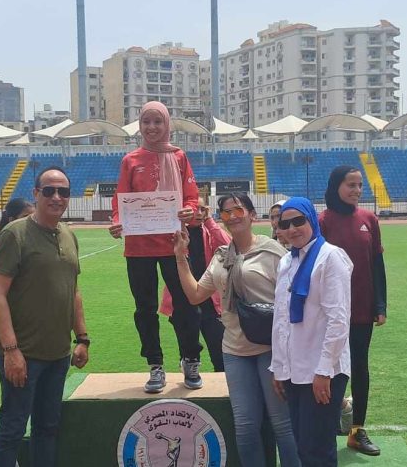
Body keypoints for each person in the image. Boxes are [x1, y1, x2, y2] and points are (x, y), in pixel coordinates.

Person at [173, 193, 300, 467]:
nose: (232, 216)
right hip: (234, 350)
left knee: (282, 424)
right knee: (245, 426)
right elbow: (195, 295)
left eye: (238, 210)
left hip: (271, 349)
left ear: (252, 215)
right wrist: (181, 258)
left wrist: (287, 355)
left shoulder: (274, 253)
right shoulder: (221, 257)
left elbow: (292, 304)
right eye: (226, 212)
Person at [0, 166, 90, 466]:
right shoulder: (15, 234)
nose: (57, 197)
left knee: (47, 428)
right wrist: (11, 350)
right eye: (49, 191)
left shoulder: (68, 235)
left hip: (58, 354)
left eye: (63, 192)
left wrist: (82, 338)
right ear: (36, 193)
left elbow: (73, 290)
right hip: (24, 353)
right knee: (13, 428)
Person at [109, 101, 203, 393]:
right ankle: (155, 365)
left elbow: (191, 195)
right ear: (139, 125)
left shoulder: (179, 157)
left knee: (186, 304)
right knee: (145, 309)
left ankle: (191, 359)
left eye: (157, 121)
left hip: (174, 244)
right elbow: (121, 199)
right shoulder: (130, 160)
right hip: (139, 247)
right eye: (146, 122)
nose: (151, 127)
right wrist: (117, 221)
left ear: (167, 124)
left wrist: (189, 209)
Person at [271, 197, 353, 467]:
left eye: (299, 221)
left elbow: (338, 320)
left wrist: (324, 371)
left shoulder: (330, 257)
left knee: (317, 449)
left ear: (312, 220)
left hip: (321, 370)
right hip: (295, 369)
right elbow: (282, 319)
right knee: (303, 446)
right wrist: (279, 368)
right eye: (285, 224)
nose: (292, 229)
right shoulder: (287, 261)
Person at [319, 166, 386, 456]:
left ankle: (357, 430)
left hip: (361, 308)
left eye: (360, 185)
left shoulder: (369, 219)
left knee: (359, 367)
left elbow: (376, 265)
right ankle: (327, 426)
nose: (357, 190)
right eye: (351, 185)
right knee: (330, 368)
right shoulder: (322, 221)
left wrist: (380, 304)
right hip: (329, 312)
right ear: (336, 186)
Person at [159, 196, 230, 372]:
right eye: (194, 209)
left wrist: (210, 221)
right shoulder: (173, 235)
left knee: (220, 354)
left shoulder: (209, 231)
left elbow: (229, 246)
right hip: (181, 301)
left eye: (202, 209)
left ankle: (223, 385)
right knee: (187, 354)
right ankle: (189, 376)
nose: (198, 213)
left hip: (209, 302)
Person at [0, 198, 35, 284]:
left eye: (33, 217)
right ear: (12, 220)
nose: (31, 221)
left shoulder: (42, 244)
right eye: (25, 217)